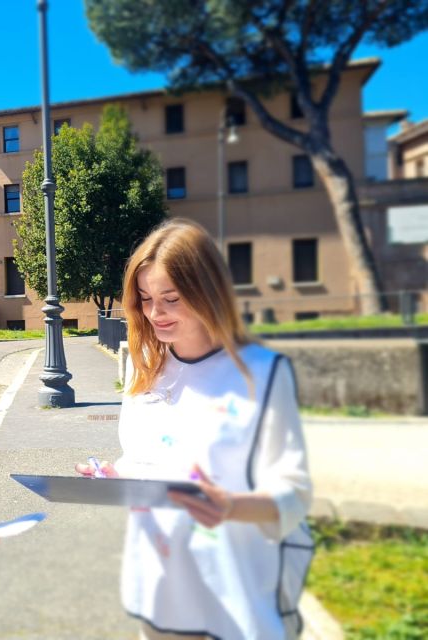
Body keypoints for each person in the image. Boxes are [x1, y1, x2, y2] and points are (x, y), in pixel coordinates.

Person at [77, 219, 314, 640]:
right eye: (146, 299)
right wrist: (113, 478)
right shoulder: (142, 368)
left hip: (236, 589)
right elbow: (142, 461)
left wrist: (231, 506)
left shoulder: (262, 372)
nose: (155, 314)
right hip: (160, 587)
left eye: (171, 298)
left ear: (207, 292)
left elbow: (294, 493)